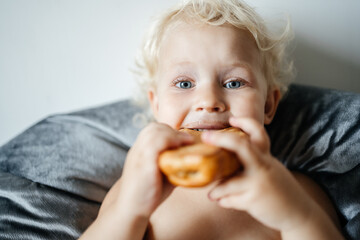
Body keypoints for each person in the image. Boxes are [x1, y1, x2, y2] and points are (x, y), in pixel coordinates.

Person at [80, 0, 344, 239]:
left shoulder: (293, 192)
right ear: (156, 105)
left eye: (233, 82)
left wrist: (296, 218)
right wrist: (130, 212)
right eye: (184, 83)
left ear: (268, 105)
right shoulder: (133, 190)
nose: (209, 101)